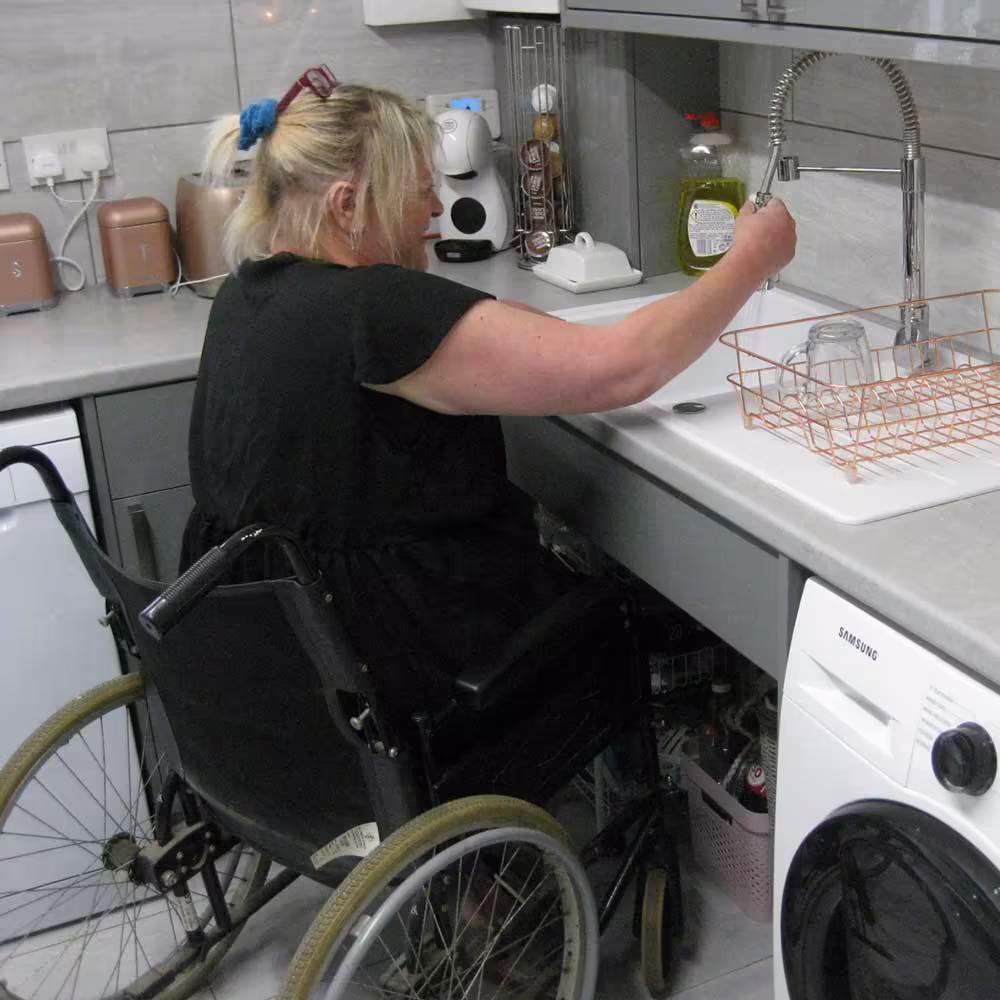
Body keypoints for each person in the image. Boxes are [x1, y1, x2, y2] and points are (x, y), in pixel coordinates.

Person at [181, 70, 796, 722]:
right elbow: (624, 369)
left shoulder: (246, 295)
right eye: (421, 190)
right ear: (344, 206)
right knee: (633, 607)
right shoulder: (372, 310)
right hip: (404, 669)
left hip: (277, 670)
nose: (437, 211)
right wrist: (749, 259)